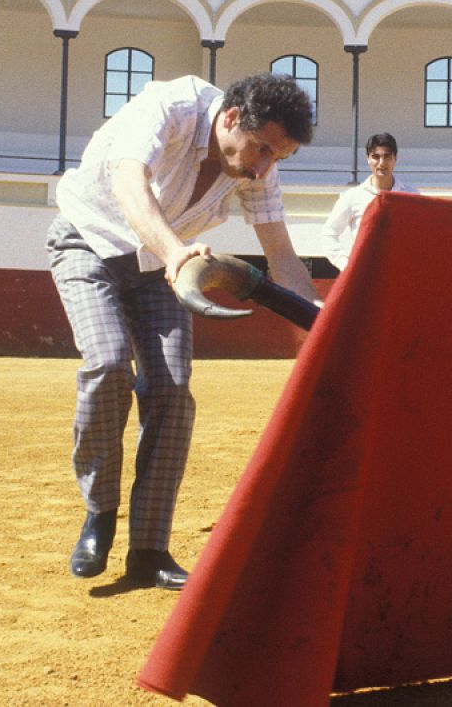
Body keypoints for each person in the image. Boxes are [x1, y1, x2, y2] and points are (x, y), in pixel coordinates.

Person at [48, 72, 318, 588]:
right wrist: (175, 252)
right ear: (232, 117)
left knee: (172, 390)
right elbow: (129, 183)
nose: (263, 169)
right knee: (108, 363)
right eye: (263, 150)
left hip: (161, 266)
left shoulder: (256, 164)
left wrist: (325, 321)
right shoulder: (171, 106)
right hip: (88, 242)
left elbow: (283, 260)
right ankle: (99, 513)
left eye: (278, 158)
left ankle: (149, 550)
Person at [320, 132, 419, 271]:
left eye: (387, 156)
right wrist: (346, 265)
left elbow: (421, 236)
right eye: (376, 157)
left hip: (401, 273)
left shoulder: (412, 196)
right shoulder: (353, 197)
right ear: (368, 159)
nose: (381, 163)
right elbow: (328, 233)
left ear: (395, 158)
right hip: (365, 274)